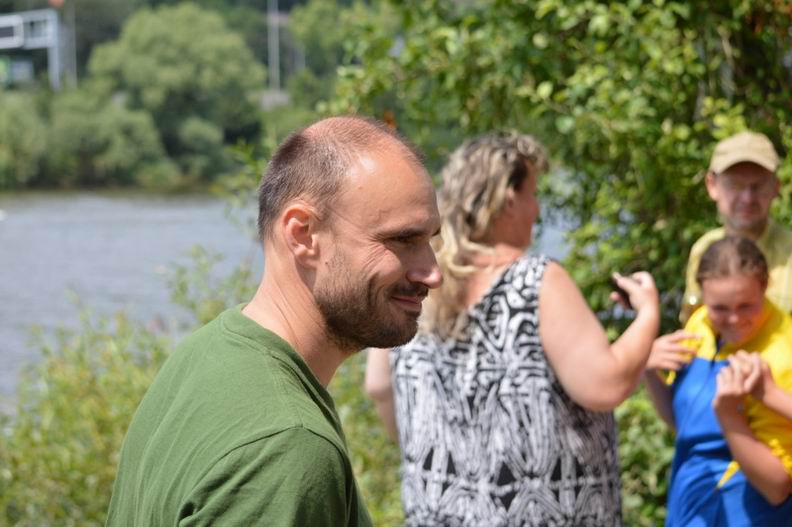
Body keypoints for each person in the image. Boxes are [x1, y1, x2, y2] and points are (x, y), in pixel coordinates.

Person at [106, 116, 443, 526]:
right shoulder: (287, 448)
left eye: (431, 239)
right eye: (403, 240)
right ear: (303, 235)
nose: (433, 273)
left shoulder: (207, 352)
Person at [365, 132, 660, 526]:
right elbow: (604, 384)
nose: (537, 209)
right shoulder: (535, 281)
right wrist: (647, 314)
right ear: (509, 199)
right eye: (532, 194)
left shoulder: (416, 281)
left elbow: (378, 386)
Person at [644, 236, 792, 526]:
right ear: (702, 296)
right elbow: (683, 422)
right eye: (720, 308)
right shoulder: (700, 324)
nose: (733, 320)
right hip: (688, 509)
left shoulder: (782, 356)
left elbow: (778, 487)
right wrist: (649, 368)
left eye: (746, 306)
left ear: (765, 288)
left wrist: (729, 415)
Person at [680, 130, 792, 323]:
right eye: (736, 185)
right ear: (712, 185)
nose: (748, 198)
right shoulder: (703, 249)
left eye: (758, 186)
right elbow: (694, 325)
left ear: (776, 187)